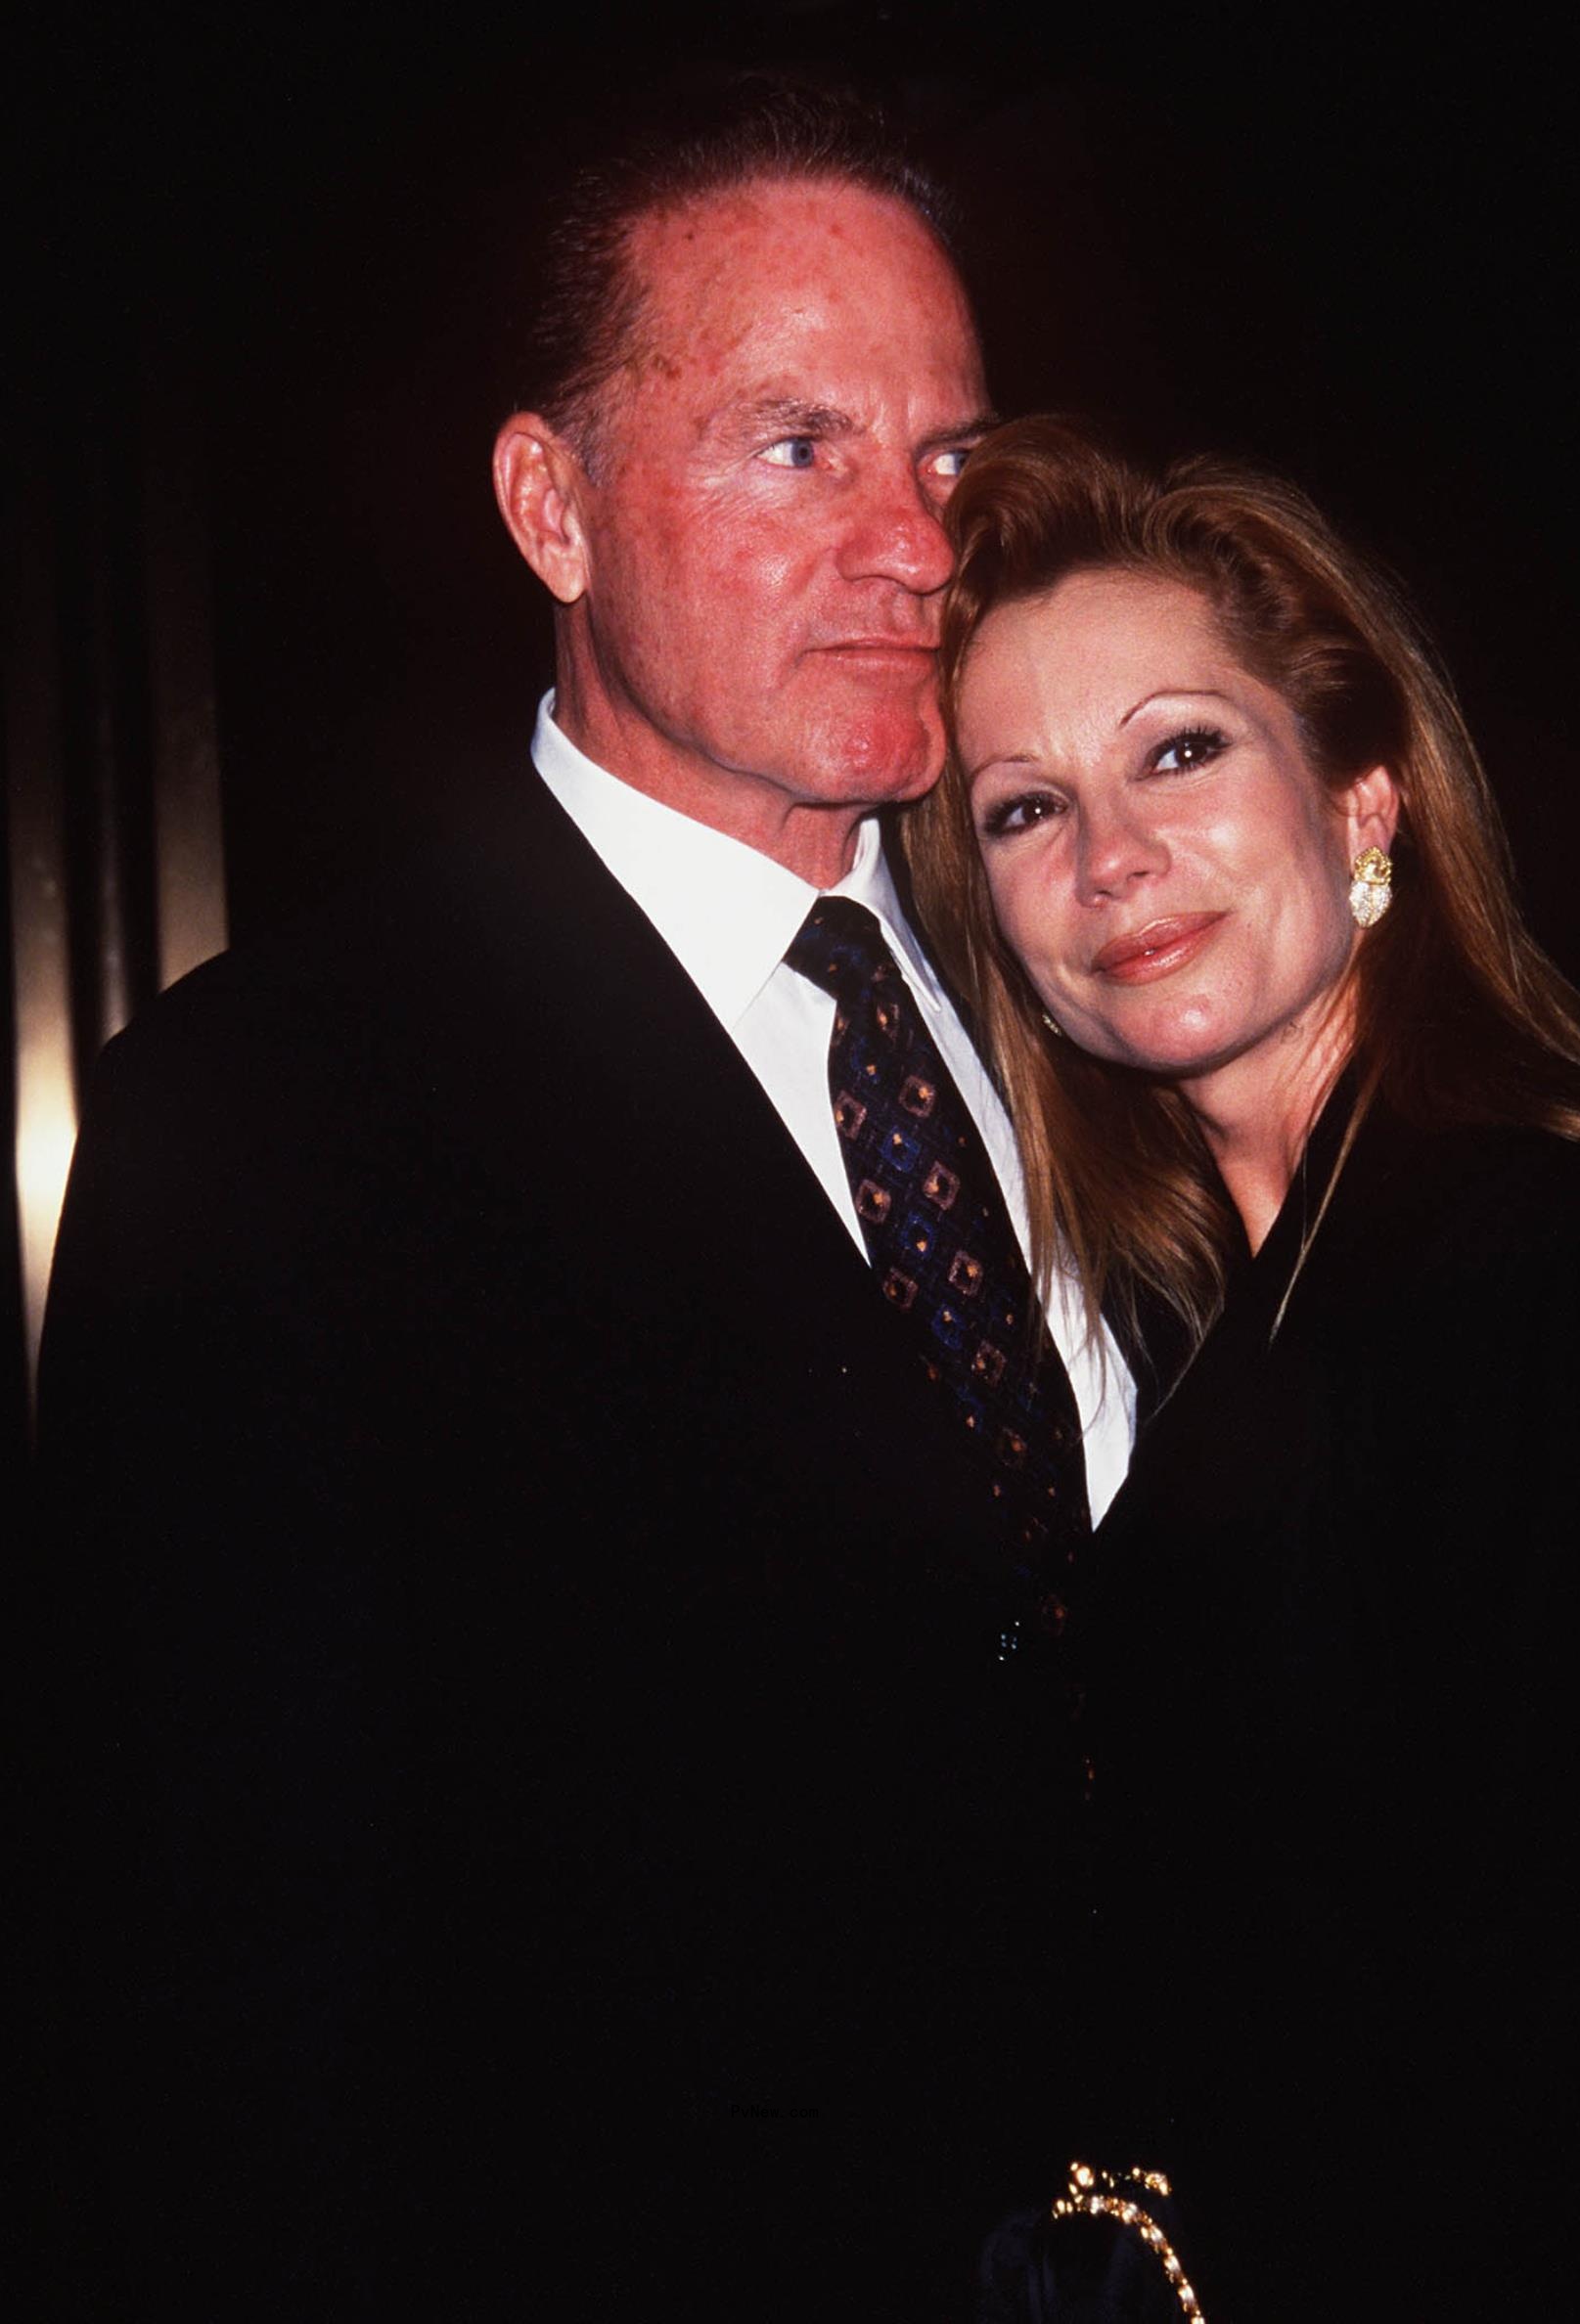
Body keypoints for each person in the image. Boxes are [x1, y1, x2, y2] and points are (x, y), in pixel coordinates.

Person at [27, 95, 1132, 2316]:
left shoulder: (1107, 987)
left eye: (947, 457)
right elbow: (207, 2026)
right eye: (796, 445)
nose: (917, 543)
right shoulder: (263, 1124)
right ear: (551, 504)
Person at [908, 417, 1580, 2313]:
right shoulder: (1164, 1319)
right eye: (1023, 805)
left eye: (1180, 748)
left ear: (1363, 803)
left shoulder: (1567, 1267)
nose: (1113, 855)